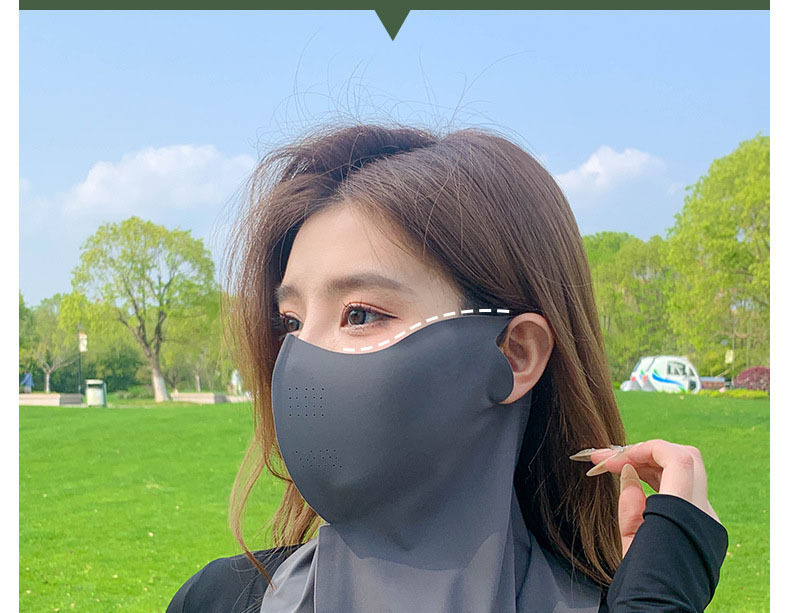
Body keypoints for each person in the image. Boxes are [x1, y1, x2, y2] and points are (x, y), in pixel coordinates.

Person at [167, 123, 727, 612]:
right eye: (291, 322)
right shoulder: (221, 600)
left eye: (359, 314)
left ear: (515, 354)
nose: (299, 361)